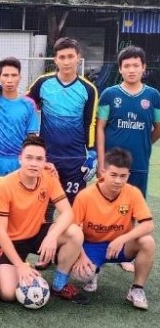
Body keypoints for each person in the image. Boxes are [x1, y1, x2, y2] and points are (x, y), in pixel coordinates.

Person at [0, 136, 88, 304]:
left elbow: (67, 212)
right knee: (7, 294)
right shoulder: (4, 185)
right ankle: (20, 264)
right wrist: (20, 266)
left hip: (36, 234)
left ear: (45, 161)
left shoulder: (49, 177)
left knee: (75, 233)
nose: (34, 163)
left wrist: (52, 236)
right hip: (10, 242)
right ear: (20, 159)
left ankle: (59, 284)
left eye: (39, 159)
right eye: (29, 157)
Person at [96, 46, 160, 273]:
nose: (131, 70)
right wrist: (101, 160)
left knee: (133, 211)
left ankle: (125, 252)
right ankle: (99, 253)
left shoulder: (153, 96)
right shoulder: (109, 94)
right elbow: (101, 128)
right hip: (110, 166)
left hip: (139, 165)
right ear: (120, 69)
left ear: (144, 68)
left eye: (136, 65)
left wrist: (143, 145)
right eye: (127, 66)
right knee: (102, 208)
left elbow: (157, 127)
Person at [71, 148, 155, 310]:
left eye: (123, 176)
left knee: (148, 242)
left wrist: (121, 239)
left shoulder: (132, 193)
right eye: (114, 175)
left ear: (128, 175)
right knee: (81, 275)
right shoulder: (86, 195)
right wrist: (81, 256)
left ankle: (137, 289)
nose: (118, 181)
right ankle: (93, 272)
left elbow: (148, 224)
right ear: (103, 172)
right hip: (92, 245)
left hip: (121, 247)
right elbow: (72, 229)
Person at [27, 37, 98, 205]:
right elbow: (26, 106)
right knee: (42, 209)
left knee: (73, 211)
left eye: (70, 56)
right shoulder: (43, 83)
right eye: (62, 57)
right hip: (47, 157)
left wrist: (93, 153)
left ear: (78, 58)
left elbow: (90, 123)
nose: (66, 62)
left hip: (75, 159)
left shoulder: (88, 89)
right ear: (55, 59)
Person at [0, 57, 39, 176]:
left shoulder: (28, 104)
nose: (9, 80)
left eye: (14, 75)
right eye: (5, 75)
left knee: (18, 195)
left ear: (20, 77)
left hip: (18, 162)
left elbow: (32, 137)